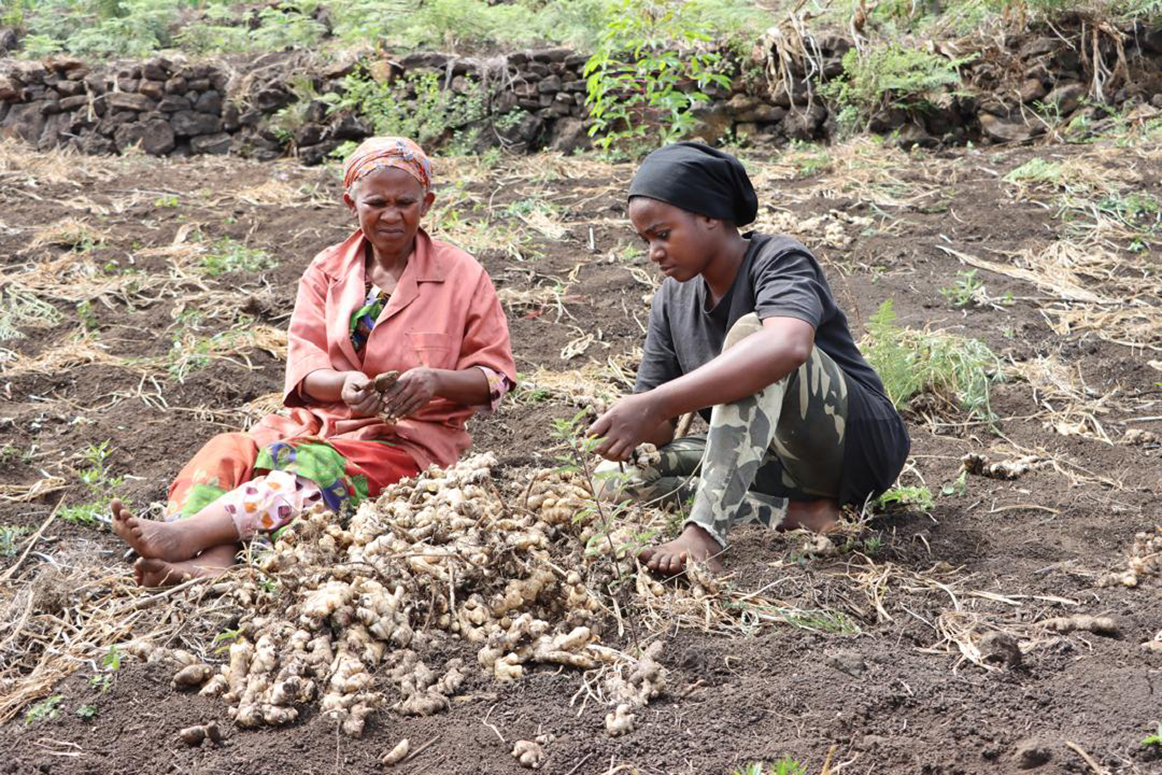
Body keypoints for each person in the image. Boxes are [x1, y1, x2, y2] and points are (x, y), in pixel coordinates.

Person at [112, 137, 517, 586]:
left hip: (404, 443)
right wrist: (343, 385)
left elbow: (494, 376)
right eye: (376, 202)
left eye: (406, 202)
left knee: (310, 468)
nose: (391, 215)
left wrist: (434, 382)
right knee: (229, 450)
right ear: (351, 203)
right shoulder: (327, 271)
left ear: (428, 203)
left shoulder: (462, 275)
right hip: (319, 421)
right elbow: (306, 367)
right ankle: (210, 555)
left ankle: (187, 538)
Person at [588, 142, 909, 575]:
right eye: (645, 240)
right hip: (765, 458)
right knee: (615, 481)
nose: (653, 253)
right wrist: (625, 429)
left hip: (852, 448)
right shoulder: (671, 300)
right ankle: (803, 514)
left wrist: (659, 402)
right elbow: (658, 424)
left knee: (751, 337)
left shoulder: (778, 259)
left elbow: (787, 346)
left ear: (709, 215)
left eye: (663, 234)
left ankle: (704, 532)